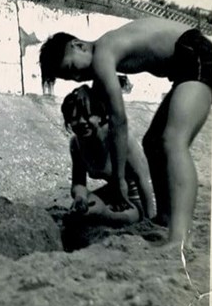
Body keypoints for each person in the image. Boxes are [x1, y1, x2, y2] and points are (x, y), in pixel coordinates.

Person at [39, 18, 212, 243]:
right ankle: (164, 218)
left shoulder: (102, 54)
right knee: (152, 142)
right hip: (184, 64)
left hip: (195, 52)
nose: (78, 77)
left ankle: (180, 236)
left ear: (79, 45)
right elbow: (99, 108)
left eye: (73, 69)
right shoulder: (104, 54)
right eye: (71, 77)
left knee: (172, 141)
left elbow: (118, 121)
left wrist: (120, 179)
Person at [62, 84, 155, 226]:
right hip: (113, 191)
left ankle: (108, 215)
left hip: (138, 196)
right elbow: (78, 183)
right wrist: (80, 197)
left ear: (100, 116)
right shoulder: (76, 144)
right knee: (80, 213)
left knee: (108, 217)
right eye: (74, 118)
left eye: (87, 116)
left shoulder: (119, 139)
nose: (81, 122)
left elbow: (143, 180)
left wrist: (150, 220)